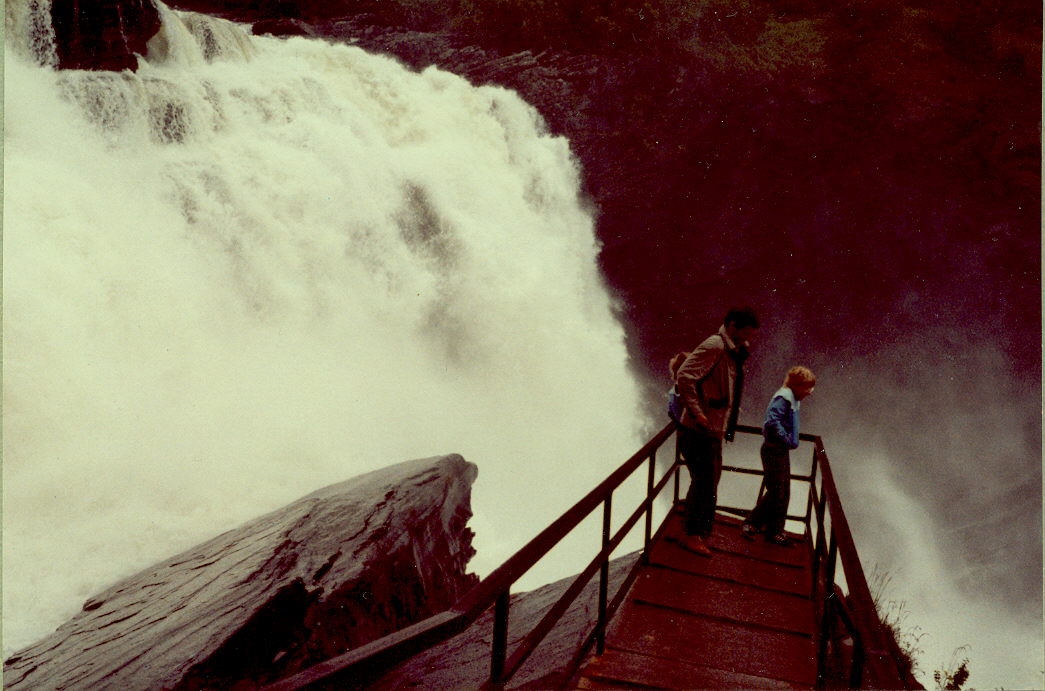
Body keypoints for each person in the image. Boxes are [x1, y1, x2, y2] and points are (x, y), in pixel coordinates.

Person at [672, 307, 759, 557]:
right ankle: (692, 535)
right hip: (700, 429)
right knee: (705, 482)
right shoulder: (715, 346)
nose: (747, 340)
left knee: (707, 481)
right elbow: (685, 376)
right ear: (731, 326)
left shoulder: (730, 350)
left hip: (713, 429)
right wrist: (697, 412)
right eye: (743, 334)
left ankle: (696, 531)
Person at [742, 366, 817, 546]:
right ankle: (758, 526)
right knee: (777, 491)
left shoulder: (791, 398)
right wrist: (786, 438)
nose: (810, 392)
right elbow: (771, 420)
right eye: (807, 388)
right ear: (797, 386)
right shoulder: (784, 398)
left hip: (779, 450)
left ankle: (769, 528)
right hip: (773, 449)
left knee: (783, 491)